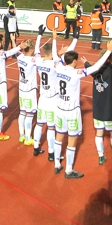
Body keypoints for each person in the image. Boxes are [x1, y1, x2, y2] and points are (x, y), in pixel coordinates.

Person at [53, 39, 112, 178]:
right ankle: (68, 170)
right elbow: (95, 67)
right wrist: (109, 51)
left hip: (59, 108)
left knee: (59, 136)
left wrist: (57, 47)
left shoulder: (58, 67)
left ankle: (57, 164)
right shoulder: (76, 73)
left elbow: (55, 58)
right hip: (71, 111)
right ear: (75, 61)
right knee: (72, 139)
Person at [34, 29, 75, 159]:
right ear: (52, 54)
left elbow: (36, 50)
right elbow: (67, 57)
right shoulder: (54, 64)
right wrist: (75, 40)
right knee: (51, 127)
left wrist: (39, 35)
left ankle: (35, 147)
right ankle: (51, 153)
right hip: (52, 100)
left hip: (42, 98)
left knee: (39, 124)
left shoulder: (39, 61)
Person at [85, 47, 112, 165]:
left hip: (97, 110)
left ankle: (101, 155)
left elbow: (89, 67)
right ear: (109, 60)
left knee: (99, 132)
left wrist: (86, 63)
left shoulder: (94, 71)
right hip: (109, 110)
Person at [15, 30, 44, 146]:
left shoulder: (20, 57)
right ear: (31, 49)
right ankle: (28, 137)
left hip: (21, 88)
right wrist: (39, 36)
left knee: (22, 112)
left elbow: (16, 50)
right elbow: (38, 53)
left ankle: (21, 135)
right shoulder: (33, 60)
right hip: (30, 90)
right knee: (30, 114)